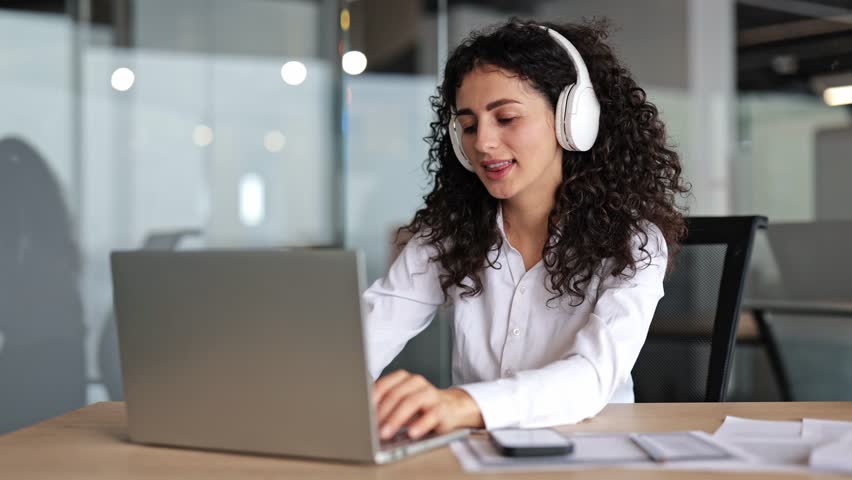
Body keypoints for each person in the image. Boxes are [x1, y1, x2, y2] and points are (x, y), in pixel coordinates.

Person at [364, 18, 689, 441]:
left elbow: (591, 377)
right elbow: (371, 332)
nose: (482, 142)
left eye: (506, 118)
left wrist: (465, 404)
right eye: (468, 124)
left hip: (594, 456)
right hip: (479, 459)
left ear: (572, 120)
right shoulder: (447, 235)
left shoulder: (632, 243)